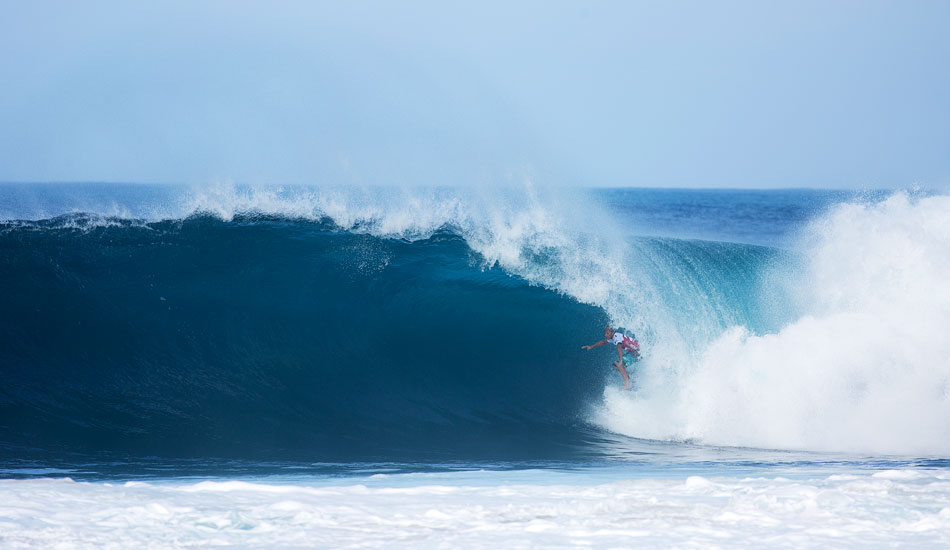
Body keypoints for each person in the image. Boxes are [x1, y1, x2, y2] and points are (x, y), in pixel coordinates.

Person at [582, 326, 640, 390]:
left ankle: (628, 384)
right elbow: (603, 342)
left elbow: (619, 347)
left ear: (612, 332)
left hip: (637, 353)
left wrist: (621, 360)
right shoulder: (612, 337)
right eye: (605, 333)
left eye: (607, 333)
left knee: (618, 364)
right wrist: (591, 347)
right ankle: (629, 377)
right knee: (615, 365)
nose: (605, 335)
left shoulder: (616, 337)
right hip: (635, 352)